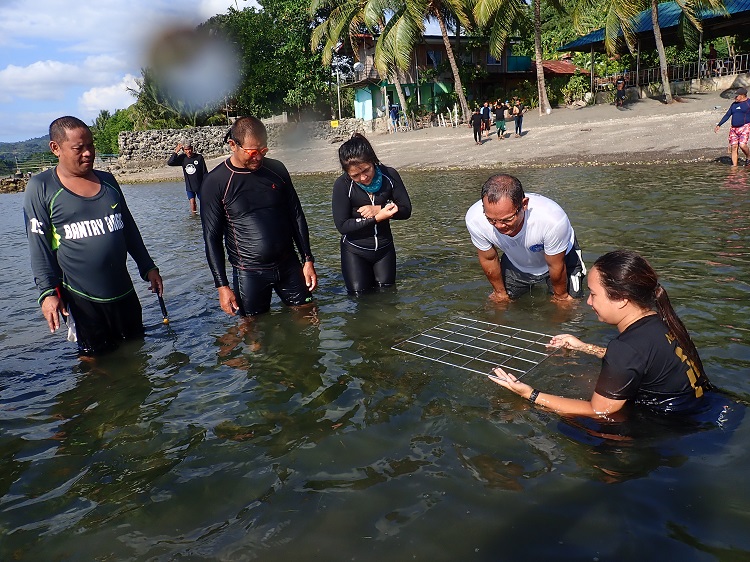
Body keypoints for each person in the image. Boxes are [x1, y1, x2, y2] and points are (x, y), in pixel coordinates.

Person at [488, 250, 713, 418]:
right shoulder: (659, 321)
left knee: (564, 422)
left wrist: (530, 394)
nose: (588, 301)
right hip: (699, 406)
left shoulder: (627, 347)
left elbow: (599, 411)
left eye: (594, 294)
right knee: (587, 379)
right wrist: (583, 347)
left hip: (673, 424)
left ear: (622, 298)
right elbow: (641, 361)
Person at [23, 116, 163, 356]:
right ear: (55, 148)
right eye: (79, 148)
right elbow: (39, 248)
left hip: (123, 292)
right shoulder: (42, 187)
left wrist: (148, 267)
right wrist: (47, 293)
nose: (88, 153)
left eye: (91, 146)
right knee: (95, 363)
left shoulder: (108, 181)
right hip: (82, 299)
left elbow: (127, 227)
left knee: (137, 353)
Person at [201, 116, 317, 317]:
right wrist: (222, 286)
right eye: (253, 152)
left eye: (263, 151)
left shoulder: (277, 170)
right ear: (232, 145)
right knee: (254, 333)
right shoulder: (216, 182)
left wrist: (307, 260)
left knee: (309, 318)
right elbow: (212, 237)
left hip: (289, 265)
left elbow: (296, 215)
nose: (258, 158)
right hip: (249, 272)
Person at [465, 173, 585, 304]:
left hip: (561, 259)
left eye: (507, 219)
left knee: (569, 305)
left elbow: (556, 265)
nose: (499, 226)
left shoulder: (552, 220)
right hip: (516, 261)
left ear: (524, 204)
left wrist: (561, 297)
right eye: (491, 220)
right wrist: (500, 293)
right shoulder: (475, 219)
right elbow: (489, 258)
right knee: (500, 303)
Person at [332, 133, 412, 294]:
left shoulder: (389, 175)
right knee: (359, 297)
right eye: (355, 175)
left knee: (388, 295)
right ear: (347, 173)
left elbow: (406, 210)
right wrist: (377, 218)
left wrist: (381, 209)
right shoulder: (342, 185)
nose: (363, 177)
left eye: (366, 170)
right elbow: (342, 226)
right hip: (354, 251)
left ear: (372, 161)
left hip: (384, 249)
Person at [168, 141, 208, 214]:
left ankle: (205, 215)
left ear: (192, 149)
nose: (188, 151)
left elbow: (205, 172)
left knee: (204, 202)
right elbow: (170, 163)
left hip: (200, 185)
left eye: (189, 149)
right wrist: (176, 152)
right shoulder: (182, 158)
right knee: (192, 203)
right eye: (186, 150)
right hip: (189, 186)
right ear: (183, 150)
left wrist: (207, 184)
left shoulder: (199, 157)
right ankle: (194, 217)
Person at [714, 87, 750, 167]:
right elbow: (727, 115)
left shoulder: (748, 103)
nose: (735, 97)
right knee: (734, 146)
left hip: (745, 126)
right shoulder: (734, 105)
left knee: (742, 145)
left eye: (737, 96)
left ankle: (748, 157)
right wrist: (719, 124)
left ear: (743, 96)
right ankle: (734, 167)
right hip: (734, 129)